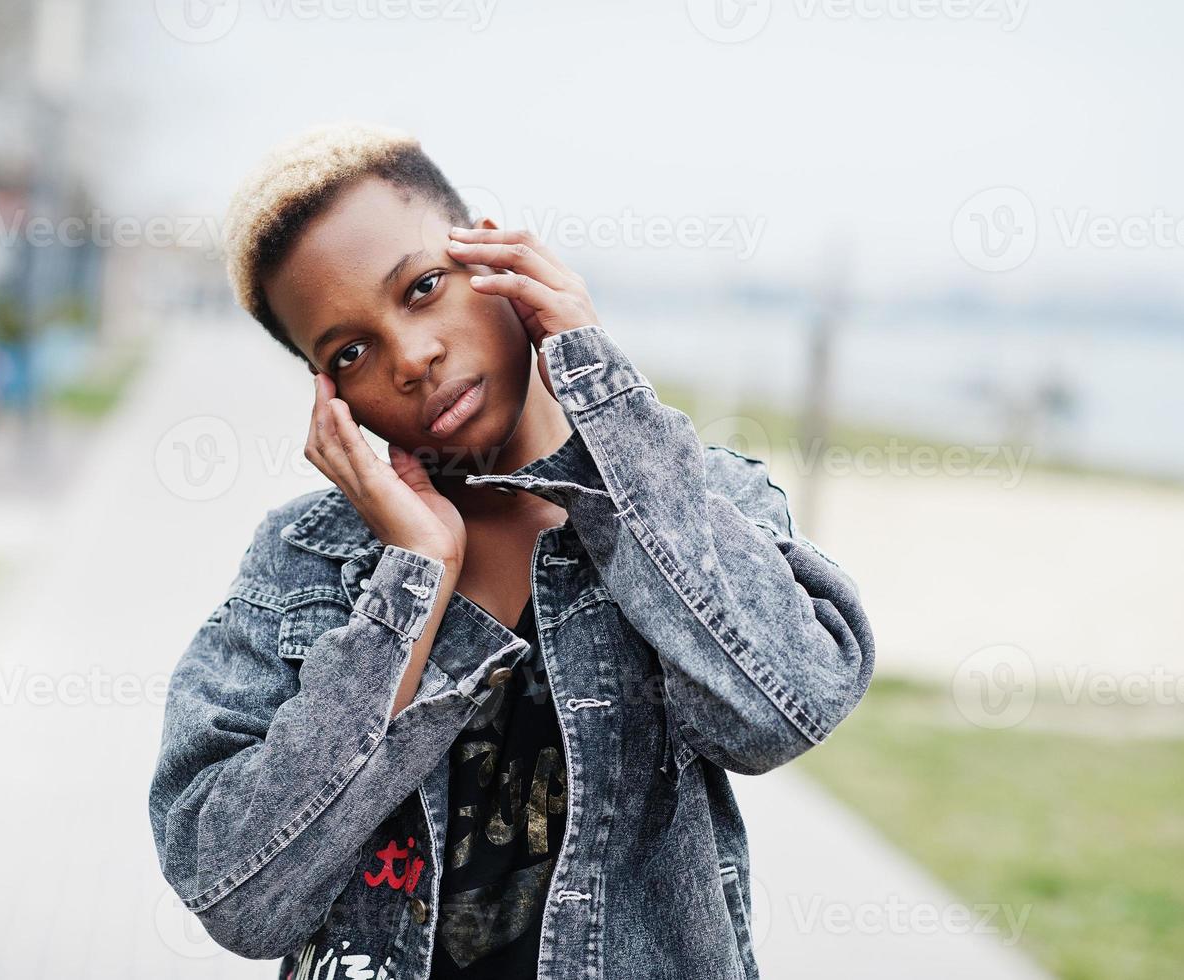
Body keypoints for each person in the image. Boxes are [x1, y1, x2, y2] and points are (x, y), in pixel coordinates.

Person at [148, 122, 875, 980]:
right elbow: (237, 896)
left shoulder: (689, 500)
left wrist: (601, 395)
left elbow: (778, 714)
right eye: (350, 350)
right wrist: (411, 584)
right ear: (327, 394)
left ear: (495, 256)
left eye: (422, 288)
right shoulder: (306, 563)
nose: (412, 358)